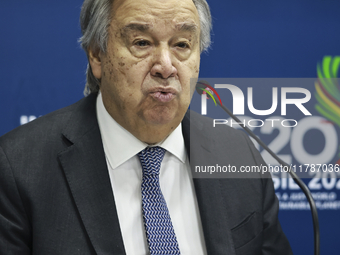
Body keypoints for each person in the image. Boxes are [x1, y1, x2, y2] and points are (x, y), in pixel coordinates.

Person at [0, 0, 293, 254]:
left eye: (181, 45)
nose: (165, 66)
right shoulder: (18, 168)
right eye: (142, 42)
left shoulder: (238, 155)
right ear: (97, 55)